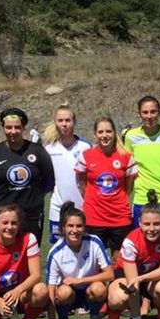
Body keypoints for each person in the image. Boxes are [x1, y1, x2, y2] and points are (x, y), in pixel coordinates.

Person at [107, 190, 160, 319]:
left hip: (152, 275)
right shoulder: (130, 242)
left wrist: (143, 278)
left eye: (156, 224)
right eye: (146, 224)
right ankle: (113, 314)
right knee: (117, 297)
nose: (151, 228)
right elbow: (133, 285)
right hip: (128, 277)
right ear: (139, 223)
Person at [0, 107, 55, 243]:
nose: (13, 132)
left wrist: (37, 195)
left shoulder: (37, 151)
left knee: (30, 253)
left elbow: (49, 179)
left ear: (24, 127)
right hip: (4, 216)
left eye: (17, 127)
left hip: (32, 214)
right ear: (3, 128)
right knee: (4, 253)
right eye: (8, 127)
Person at [46, 202, 114, 319]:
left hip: (89, 290)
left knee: (99, 289)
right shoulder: (55, 252)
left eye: (79, 226)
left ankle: (95, 318)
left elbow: (110, 274)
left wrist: (80, 280)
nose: (75, 230)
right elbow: (50, 289)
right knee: (63, 292)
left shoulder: (94, 241)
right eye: (70, 226)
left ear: (84, 227)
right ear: (63, 228)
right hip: (69, 294)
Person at [75, 117, 137, 259]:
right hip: (94, 217)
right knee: (95, 260)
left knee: (120, 259)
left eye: (108, 131)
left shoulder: (126, 156)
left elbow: (128, 187)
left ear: (114, 133)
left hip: (119, 216)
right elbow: (81, 182)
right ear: (95, 134)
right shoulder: (86, 155)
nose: (105, 135)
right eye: (100, 132)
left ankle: (118, 282)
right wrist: (93, 199)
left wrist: (115, 199)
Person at [123, 96, 160, 227]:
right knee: (143, 242)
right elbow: (128, 166)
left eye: (153, 111)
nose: (149, 116)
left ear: (159, 113)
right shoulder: (131, 137)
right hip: (142, 198)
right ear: (139, 114)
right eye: (145, 112)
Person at [44, 104, 91, 244]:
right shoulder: (49, 149)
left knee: (83, 247)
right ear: (55, 123)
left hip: (82, 208)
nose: (64, 124)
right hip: (57, 208)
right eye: (60, 120)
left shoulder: (85, 147)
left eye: (68, 120)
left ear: (74, 122)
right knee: (59, 248)